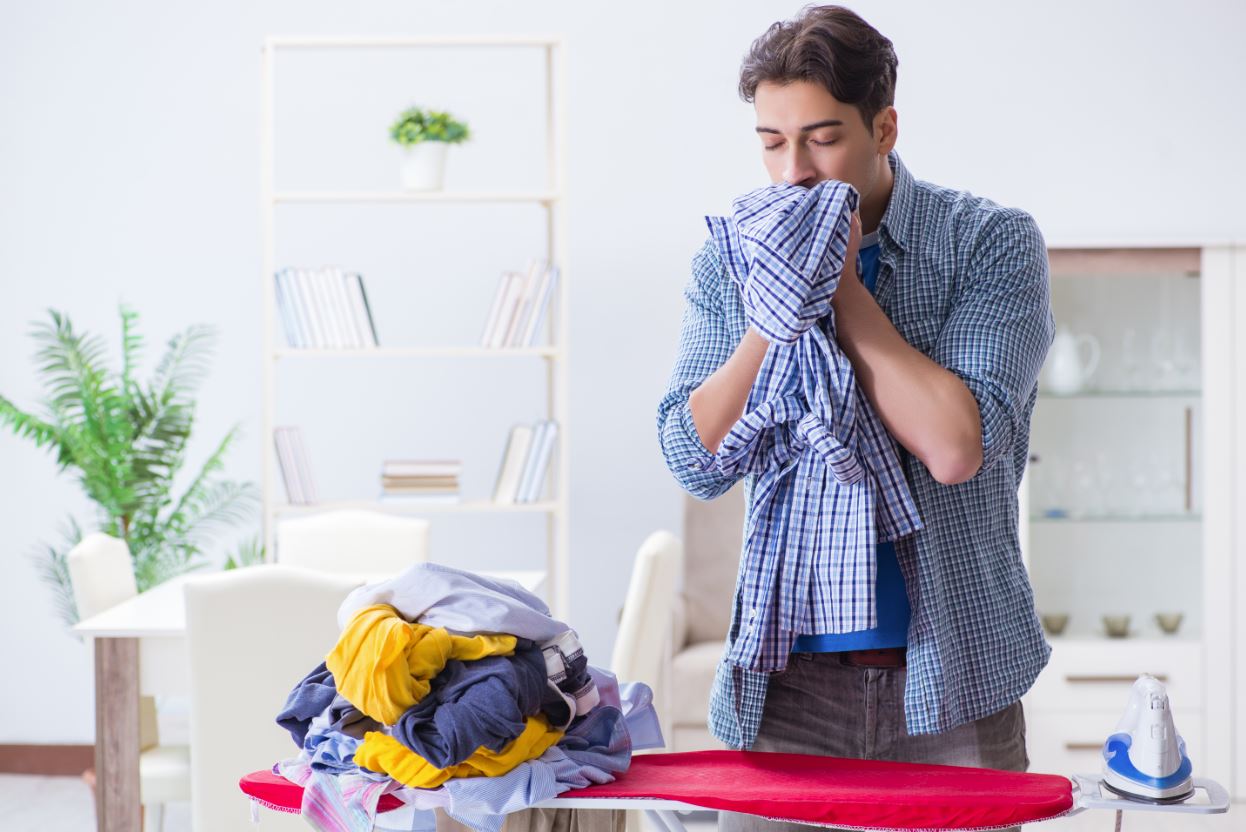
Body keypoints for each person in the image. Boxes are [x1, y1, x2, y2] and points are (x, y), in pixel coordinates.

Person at [654, 6, 1056, 831]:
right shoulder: (732, 258)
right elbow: (695, 460)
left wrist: (841, 288)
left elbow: (953, 447)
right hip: (786, 689)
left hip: (954, 681)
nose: (795, 170)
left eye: (822, 138)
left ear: (885, 127)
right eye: (771, 141)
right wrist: (774, 312)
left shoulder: (990, 243)